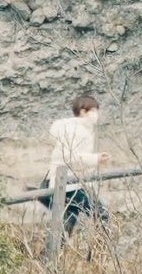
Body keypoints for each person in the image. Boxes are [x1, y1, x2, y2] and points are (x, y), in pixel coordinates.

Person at [40, 93, 111, 235]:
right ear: (83, 111)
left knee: (68, 220)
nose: (96, 115)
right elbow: (69, 157)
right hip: (69, 184)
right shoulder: (76, 130)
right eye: (93, 110)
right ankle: (102, 246)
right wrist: (96, 159)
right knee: (101, 214)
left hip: (67, 182)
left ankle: (56, 249)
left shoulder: (72, 128)